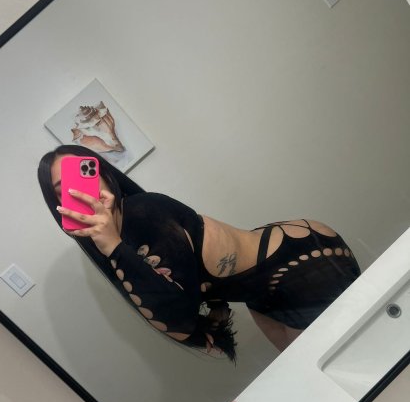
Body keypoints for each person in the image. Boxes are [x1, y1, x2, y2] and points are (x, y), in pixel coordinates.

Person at [37, 145, 361, 362]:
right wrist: (111, 245)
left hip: (301, 263)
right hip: (262, 289)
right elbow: (188, 307)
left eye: (84, 176)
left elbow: (178, 315)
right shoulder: (120, 241)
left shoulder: (144, 211)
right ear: (59, 207)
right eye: (64, 191)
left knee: (344, 369)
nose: (79, 192)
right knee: (307, 371)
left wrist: (111, 245)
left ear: (105, 174)